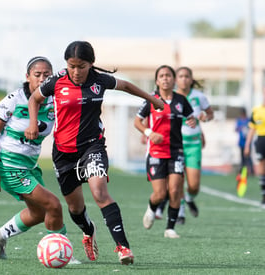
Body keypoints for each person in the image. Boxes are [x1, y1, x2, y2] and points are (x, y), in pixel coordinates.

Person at [24, 41, 164, 265]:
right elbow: (34, 99)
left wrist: (152, 99)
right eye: (72, 66)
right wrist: (33, 124)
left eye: (81, 66)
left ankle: (123, 247)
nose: (76, 72)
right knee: (74, 207)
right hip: (63, 152)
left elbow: (126, 86)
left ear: (91, 64)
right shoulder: (56, 81)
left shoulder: (100, 80)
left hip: (92, 146)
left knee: (99, 192)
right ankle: (89, 231)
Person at [0, 56, 79, 262]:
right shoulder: (13, 100)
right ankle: (62, 253)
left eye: (47, 75)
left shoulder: (54, 100)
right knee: (53, 205)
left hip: (29, 167)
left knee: (38, 213)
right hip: (10, 167)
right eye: (37, 75)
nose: (42, 79)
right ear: (27, 77)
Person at [134, 65, 196, 239]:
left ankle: (170, 228)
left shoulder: (181, 100)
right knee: (160, 194)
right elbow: (137, 122)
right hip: (156, 152)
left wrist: (192, 122)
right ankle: (152, 208)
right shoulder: (151, 100)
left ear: (174, 79)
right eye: (162, 76)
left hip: (176, 151)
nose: (165, 78)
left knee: (175, 190)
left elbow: (191, 118)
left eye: (168, 75)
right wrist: (149, 133)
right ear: (157, 80)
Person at [155, 67, 214, 224]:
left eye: (186, 76)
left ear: (191, 79)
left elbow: (210, 114)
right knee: (177, 180)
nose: (183, 79)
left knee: (194, 185)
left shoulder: (198, 97)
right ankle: (179, 211)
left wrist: (204, 118)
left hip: (194, 144)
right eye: (180, 76)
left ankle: (189, 198)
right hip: (175, 144)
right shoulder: (170, 96)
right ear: (176, 79)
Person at [244, 99, 265, 207]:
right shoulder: (256, 110)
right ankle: (263, 194)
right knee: (261, 166)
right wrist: (247, 145)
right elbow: (252, 129)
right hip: (261, 140)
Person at [236, 107, 254, 176]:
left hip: (247, 142)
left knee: (248, 158)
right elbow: (236, 129)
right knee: (242, 158)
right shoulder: (239, 120)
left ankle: (252, 171)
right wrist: (240, 128)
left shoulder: (248, 120)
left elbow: (252, 128)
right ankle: (243, 172)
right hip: (241, 142)